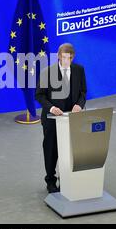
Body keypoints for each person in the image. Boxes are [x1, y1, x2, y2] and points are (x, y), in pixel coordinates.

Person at [35, 43, 87, 193]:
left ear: (72, 58)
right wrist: (51, 108)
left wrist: (79, 105)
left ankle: (66, 179)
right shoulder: (47, 72)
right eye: (64, 57)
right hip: (52, 119)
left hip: (71, 118)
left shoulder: (79, 70)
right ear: (58, 56)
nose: (66, 61)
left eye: (69, 58)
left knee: (70, 150)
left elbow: (83, 92)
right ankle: (50, 181)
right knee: (51, 150)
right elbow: (39, 95)